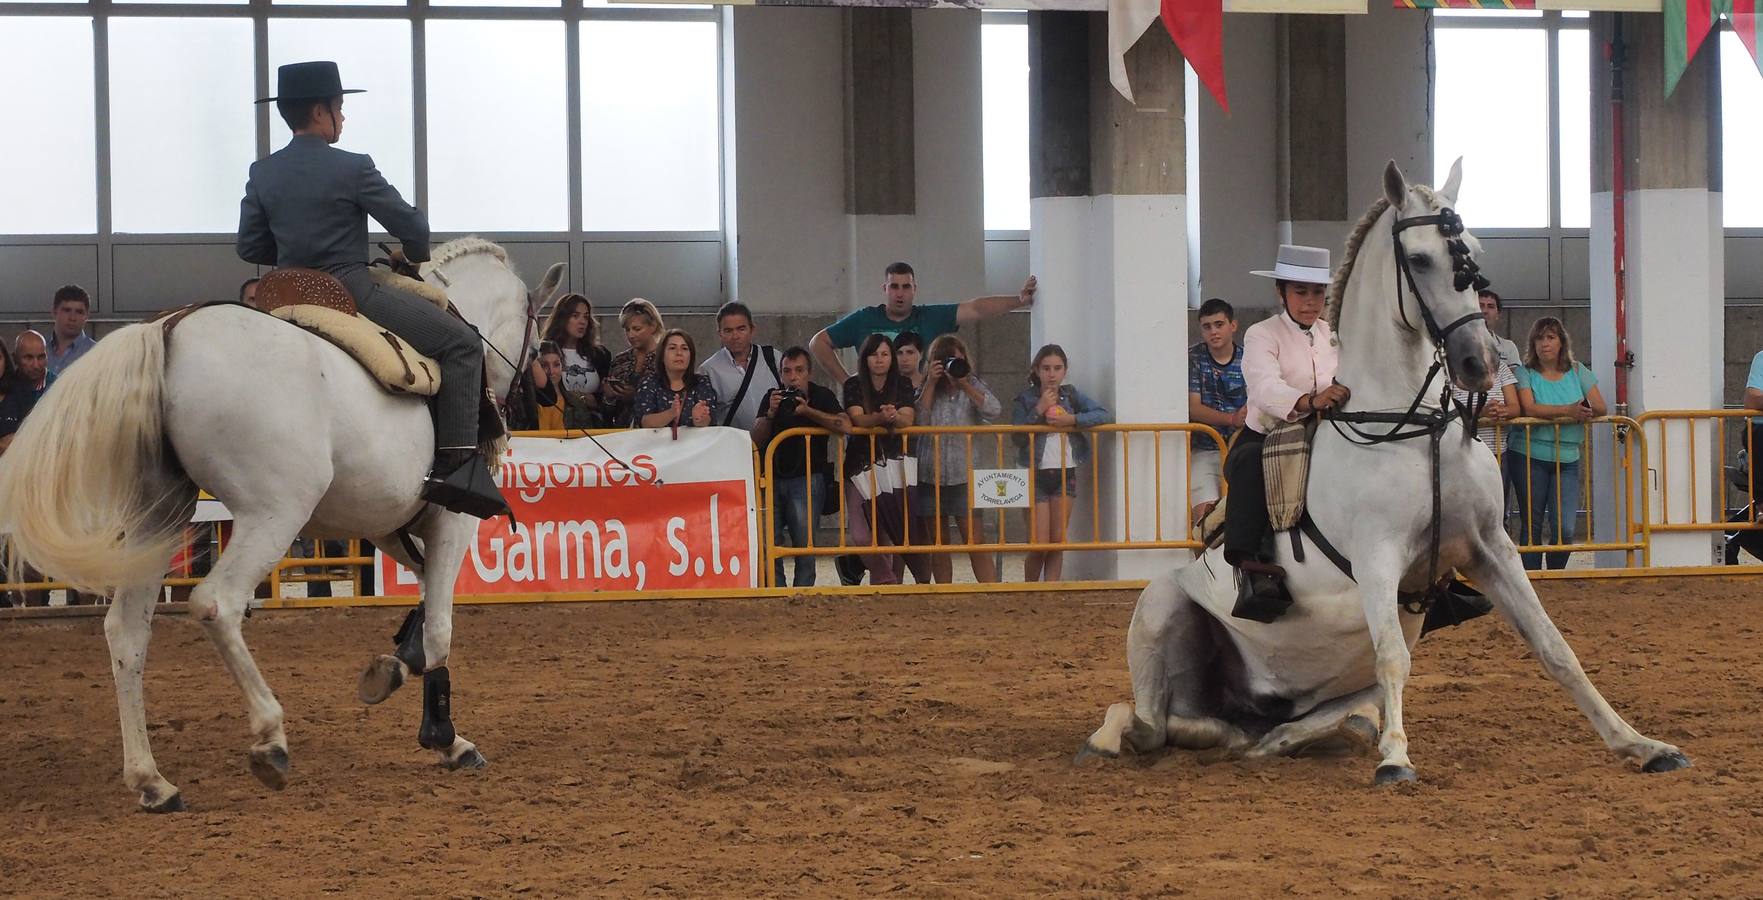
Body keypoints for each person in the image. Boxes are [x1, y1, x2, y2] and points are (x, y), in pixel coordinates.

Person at [236, 61, 504, 518]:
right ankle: (457, 464)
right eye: (340, 107)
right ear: (321, 112)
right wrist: (412, 256)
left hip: (283, 295)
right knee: (463, 343)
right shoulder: (353, 167)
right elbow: (413, 225)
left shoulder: (262, 172)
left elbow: (250, 246)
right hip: (348, 288)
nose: (344, 117)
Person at [1225, 244, 1348, 623]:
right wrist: (1310, 400)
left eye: (1317, 292)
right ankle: (1253, 567)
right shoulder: (1262, 334)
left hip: (1329, 434)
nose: (1311, 301)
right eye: (1300, 291)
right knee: (1246, 462)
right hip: (1267, 436)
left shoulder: (1336, 334)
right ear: (1281, 293)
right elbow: (1263, 386)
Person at [810, 262, 1038, 383]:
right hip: (874, 408)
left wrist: (1019, 300)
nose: (900, 293)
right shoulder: (864, 318)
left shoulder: (930, 316)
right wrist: (847, 381)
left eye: (906, 287)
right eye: (894, 287)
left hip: (918, 405)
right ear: (885, 289)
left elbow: (976, 308)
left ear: (914, 289)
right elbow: (818, 343)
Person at [1509, 316, 1605, 571]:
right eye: (1539, 339)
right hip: (1529, 454)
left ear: (1562, 342)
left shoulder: (1577, 371)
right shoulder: (1525, 372)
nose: (1544, 344)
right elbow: (1529, 407)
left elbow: (1601, 406)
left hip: (1567, 457)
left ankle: (1555, 575)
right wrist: (1569, 411)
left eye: (1550, 337)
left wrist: (1583, 411)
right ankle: (1533, 579)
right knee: (1533, 523)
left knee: (1565, 527)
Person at [751, 347, 851, 587]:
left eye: (799, 371)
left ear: (810, 373)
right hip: (772, 478)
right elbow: (756, 437)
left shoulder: (821, 395)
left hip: (808, 479)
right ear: (780, 373)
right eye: (787, 371)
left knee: (805, 543)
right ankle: (775, 591)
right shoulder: (771, 396)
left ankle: (803, 592)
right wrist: (771, 413)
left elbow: (845, 425)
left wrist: (808, 411)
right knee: (769, 542)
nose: (793, 377)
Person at [1011, 344, 1112, 583]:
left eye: (1057, 368)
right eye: (1046, 368)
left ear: (1065, 371)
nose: (1052, 374)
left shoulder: (1072, 395)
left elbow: (1103, 414)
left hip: (1065, 472)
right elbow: (1016, 435)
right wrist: (1039, 409)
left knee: (1058, 539)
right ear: (1037, 370)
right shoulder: (1025, 399)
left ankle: (1052, 588)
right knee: (1039, 542)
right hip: (1035, 473)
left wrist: (1072, 419)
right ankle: (1030, 588)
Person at [914, 334, 1001, 583]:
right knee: (938, 543)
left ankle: (991, 593)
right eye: (946, 360)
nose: (953, 364)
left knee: (974, 540)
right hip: (931, 474)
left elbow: (994, 410)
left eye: (957, 358)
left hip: (964, 476)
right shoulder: (927, 386)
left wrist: (964, 384)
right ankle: (944, 595)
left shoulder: (972, 383)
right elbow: (919, 420)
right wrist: (931, 382)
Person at [841, 333, 927, 584]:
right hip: (859, 465)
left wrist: (892, 417)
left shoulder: (902, 384)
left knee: (888, 529)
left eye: (884, 354)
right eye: (873, 354)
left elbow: (907, 419)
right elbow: (858, 419)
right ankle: (886, 577)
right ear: (864, 358)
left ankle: (884, 585)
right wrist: (882, 417)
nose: (879, 360)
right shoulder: (853, 385)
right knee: (861, 534)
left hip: (893, 465)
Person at [1187, 297, 1247, 526]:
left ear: (1233, 325)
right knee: (1204, 517)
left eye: (1219, 324)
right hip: (1204, 448)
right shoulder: (1193, 358)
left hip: (1240, 449)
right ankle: (1202, 562)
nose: (1213, 331)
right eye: (1207, 326)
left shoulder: (1248, 359)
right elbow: (1194, 408)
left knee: (1241, 516)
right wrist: (1232, 418)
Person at [698, 301, 781, 432]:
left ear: (752, 329)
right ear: (720, 333)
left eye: (741, 329)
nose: (735, 336)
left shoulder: (774, 358)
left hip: (776, 445)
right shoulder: (708, 370)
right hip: (733, 446)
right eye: (728, 331)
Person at [539, 292, 611, 428]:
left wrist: (597, 401)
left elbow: (607, 400)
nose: (582, 321)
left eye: (586, 317)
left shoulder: (600, 355)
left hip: (593, 426)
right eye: (575, 316)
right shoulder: (545, 350)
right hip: (556, 424)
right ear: (562, 318)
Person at [633, 329, 717, 430]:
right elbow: (644, 422)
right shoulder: (649, 382)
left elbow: (709, 422)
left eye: (685, 349)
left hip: (694, 444)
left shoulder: (701, 382)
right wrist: (671, 413)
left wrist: (700, 419)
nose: (679, 353)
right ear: (662, 355)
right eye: (672, 348)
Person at [603, 298, 664, 428]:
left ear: (653, 326)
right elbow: (606, 411)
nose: (631, 335)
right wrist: (609, 397)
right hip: (622, 433)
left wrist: (636, 396)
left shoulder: (666, 359)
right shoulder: (620, 361)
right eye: (627, 329)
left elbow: (673, 399)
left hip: (656, 432)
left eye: (637, 329)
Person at [510, 342, 597, 432]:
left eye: (556, 365)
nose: (551, 372)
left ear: (562, 366)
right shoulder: (519, 404)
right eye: (544, 365)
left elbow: (585, 441)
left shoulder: (576, 403)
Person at [46, 285, 97, 377]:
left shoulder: (96, 353)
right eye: (67, 310)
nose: (72, 318)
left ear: (87, 316)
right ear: (54, 312)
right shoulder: (38, 351)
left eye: (79, 312)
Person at [1479, 288, 1523, 377]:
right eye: (1480, 306)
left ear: (1498, 314)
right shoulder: (1457, 344)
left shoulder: (1508, 347)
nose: (1485, 311)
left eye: (1490, 306)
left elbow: (1516, 377)